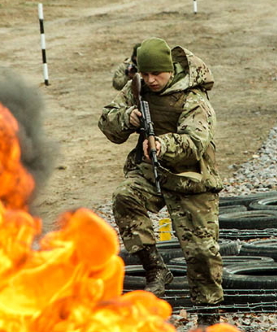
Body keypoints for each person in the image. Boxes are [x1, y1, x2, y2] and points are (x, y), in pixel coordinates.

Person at [98, 37, 224, 326]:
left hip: (192, 178)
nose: (151, 80)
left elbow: (195, 142)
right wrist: (127, 118)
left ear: (170, 69)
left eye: (157, 74)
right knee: (125, 197)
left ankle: (208, 316)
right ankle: (154, 268)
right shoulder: (137, 88)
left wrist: (162, 144)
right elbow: (106, 120)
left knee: (202, 253)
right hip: (152, 172)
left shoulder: (193, 97)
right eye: (146, 74)